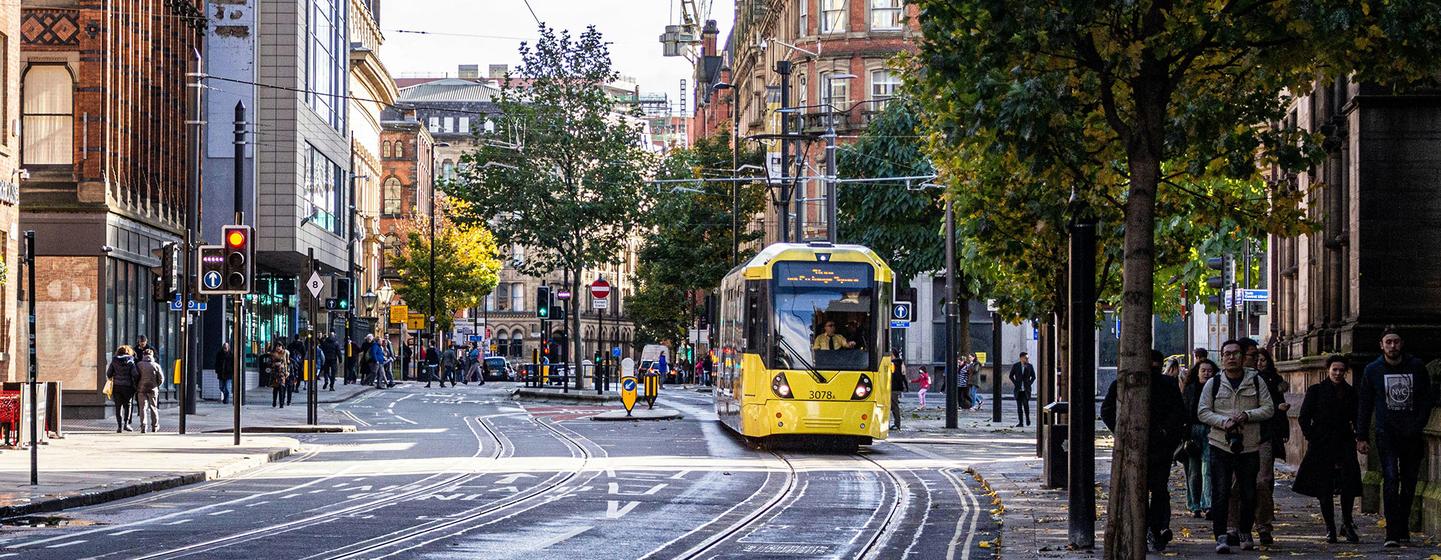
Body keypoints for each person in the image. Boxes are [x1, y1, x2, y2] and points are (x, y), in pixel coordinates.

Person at [1101, 349, 1186, 552]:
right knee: (1150, 490)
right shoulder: (1125, 384)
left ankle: (1155, 528)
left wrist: (1165, 435)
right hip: (1143, 446)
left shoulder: (1166, 385)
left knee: (1153, 490)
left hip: (1156, 447)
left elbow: (1179, 415)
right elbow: (1107, 411)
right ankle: (1152, 528)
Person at [1356, 328, 1433, 548]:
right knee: (1390, 480)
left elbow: (1426, 399)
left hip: (1412, 434)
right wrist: (1361, 436)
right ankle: (1392, 532)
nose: (1392, 346)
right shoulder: (1372, 370)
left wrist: (1418, 424)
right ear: (1381, 345)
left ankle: (1402, 528)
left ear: (1402, 344)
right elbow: (1365, 404)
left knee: (1409, 483)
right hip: (1386, 433)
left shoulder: (1416, 367)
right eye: (1388, 342)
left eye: (1396, 342)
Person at [1199, 339, 1275, 554]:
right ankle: (1221, 536)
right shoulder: (1213, 383)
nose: (1231, 357)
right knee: (1221, 492)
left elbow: (1269, 409)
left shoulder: (1257, 381)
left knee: (1249, 492)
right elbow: (1202, 411)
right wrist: (1224, 422)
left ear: (1243, 357)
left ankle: (1244, 531)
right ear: (1221, 358)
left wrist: (1246, 416)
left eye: (1235, 353)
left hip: (1249, 445)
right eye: (1227, 354)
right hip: (1220, 444)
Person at [1294, 354, 1363, 544]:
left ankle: (1347, 523)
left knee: (1348, 485)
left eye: (1342, 370)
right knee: (1324, 488)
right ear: (1328, 370)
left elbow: (1357, 417)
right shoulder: (1316, 390)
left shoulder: (1351, 392)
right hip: (1321, 443)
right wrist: (1312, 436)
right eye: (1335, 369)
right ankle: (1330, 527)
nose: (1338, 373)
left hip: (1344, 443)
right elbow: (1304, 417)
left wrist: (1359, 436)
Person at [1246, 345, 1289, 545]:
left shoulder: (1270, 380)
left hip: (1265, 435)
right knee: (1237, 484)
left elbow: (1276, 405)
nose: (1257, 362)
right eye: (1253, 357)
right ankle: (1237, 526)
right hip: (1240, 437)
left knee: (1263, 481)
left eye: (1260, 358)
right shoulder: (1232, 380)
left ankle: (1263, 526)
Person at [1180, 358, 1218, 519]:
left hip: (1211, 430)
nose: (1207, 374)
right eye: (1203, 371)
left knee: (1207, 468)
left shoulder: (1217, 389)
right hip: (1192, 432)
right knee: (1193, 471)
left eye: (1210, 371)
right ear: (1197, 372)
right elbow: (1184, 411)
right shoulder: (1190, 389)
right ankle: (1194, 504)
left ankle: (1207, 504)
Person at [106, 346, 138, 433]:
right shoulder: (131, 361)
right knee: (128, 405)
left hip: (117, 386)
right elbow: (135, 374)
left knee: (118, 406)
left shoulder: (114, 361)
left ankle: (119, 426)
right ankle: (126, 424)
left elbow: (109, 374)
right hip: (128, 387)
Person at [135, 348, 164, 433]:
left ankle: (143, 426)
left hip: (141, 388)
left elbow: (135, 376)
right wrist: (156, 385)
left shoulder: (139, 365)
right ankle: (154, 426)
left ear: (144, 355)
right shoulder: (156, 365)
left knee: (142, 408)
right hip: (153, 388)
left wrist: (137, 385)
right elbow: (161, 378)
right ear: (152, 355)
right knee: (153, 407)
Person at [1009, 352, 1037, 427]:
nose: (1027, 359)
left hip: (1026, 390)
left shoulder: (1030, 366)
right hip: (1018, 390)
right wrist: (1015, 383)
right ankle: (1020, 422)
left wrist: (1029, 384)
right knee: (1019, 407)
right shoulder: (1016, 366)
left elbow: (1033, 377)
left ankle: (1027, 418)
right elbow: (1011, 376)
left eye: (1027, 358)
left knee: (1025, 405)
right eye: (1026, 358)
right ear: (1021, 358)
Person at [889, 353, 908, 430]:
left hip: (893, 387)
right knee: (894, 406)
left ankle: (897, 424)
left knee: (894, 406)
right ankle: (896, 424)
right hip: (896, 387)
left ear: (892, 355)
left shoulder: (894, 364)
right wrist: (906, 386)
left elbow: (894, 376)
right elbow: (903, 376)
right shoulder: (899, 363)